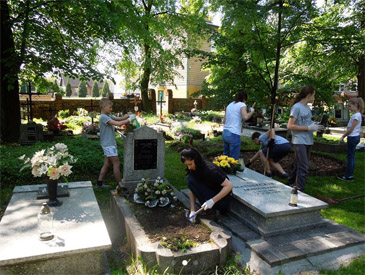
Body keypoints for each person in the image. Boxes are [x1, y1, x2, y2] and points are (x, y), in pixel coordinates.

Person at [286, 86, 324, 192]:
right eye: (314, 95)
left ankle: (289, 183)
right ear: (309, 95)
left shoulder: (307, 108)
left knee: (299, 164)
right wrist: (308, 128)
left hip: (308, 140)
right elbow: (290, 126)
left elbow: (306, 123)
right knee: (304, 167)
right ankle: (300, 191)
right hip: (299, 140)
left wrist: (315, 126)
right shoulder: (296, 107)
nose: (314, 98)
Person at [180, 148, 233, 222]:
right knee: (190, 179)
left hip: (223, 200)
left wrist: (212, 201)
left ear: (196, 160)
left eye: (190, 164)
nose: (189, 167)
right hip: (211, 193)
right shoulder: (194, 169)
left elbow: (229, 185)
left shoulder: (210, 170)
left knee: (190, 179)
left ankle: (211, 212)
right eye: (187, 165)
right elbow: (193, 188)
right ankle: (209, 210)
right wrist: (192, 210)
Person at [97, 98, 136, 188]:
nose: (111, 109)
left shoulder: (108, 115)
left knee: (107, 163)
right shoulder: (103, 117)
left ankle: (99, 183)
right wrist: (130, 119)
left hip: (108, 144)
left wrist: (128, 115)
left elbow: (120, 119)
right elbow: (118, 124)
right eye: (110, 107)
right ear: (103, 107)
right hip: (108, 144)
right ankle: (120, 185)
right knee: (116, 163)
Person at [337, 97, 364, 181]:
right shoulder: (357, 115)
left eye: (349, 106)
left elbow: (351, 129)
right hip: (354, 137)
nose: (348, 108)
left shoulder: (356, 116)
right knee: (351, 156)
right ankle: (349, 174)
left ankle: (349, 176)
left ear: (355, 105)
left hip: (353, 137)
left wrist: (343, 136)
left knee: (350, 157)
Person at [223, 92, 255, 159]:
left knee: (225, 158)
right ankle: (233, 169)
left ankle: (223, 169)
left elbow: (224, 121)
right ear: (244, 98)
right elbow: (245, 117)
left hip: (225, 132)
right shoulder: (242, 104)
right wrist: (252, 112)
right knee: (233, 159)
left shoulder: (230, 104)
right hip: (233, 134)